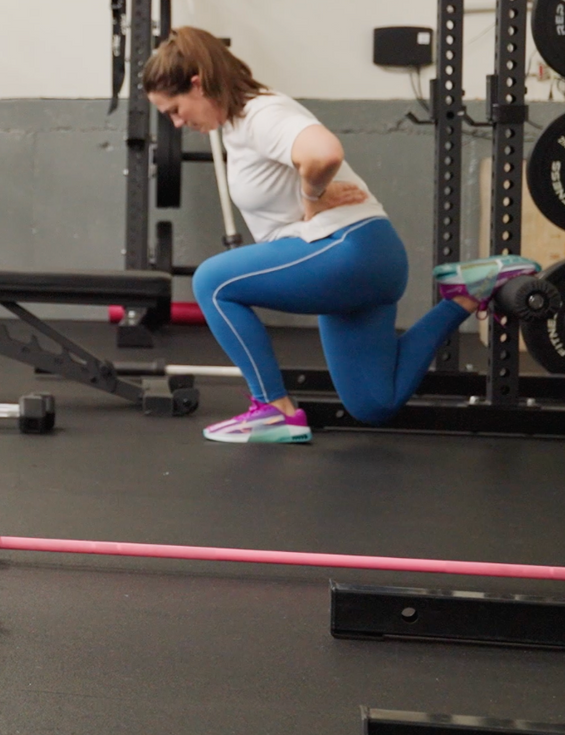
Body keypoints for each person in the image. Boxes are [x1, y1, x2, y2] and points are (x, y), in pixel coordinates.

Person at [144, 27, 536, 444]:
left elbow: (323, 153)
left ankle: (272, 409)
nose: (177, 122)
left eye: (174, 109)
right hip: (358, 265)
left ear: (198, 83)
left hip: (350, 252)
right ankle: (468, 291)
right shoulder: (237, 125)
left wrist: (311, 194)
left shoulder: (261, 113)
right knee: (374, 402)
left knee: (212, 281)